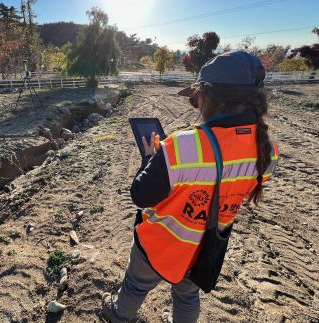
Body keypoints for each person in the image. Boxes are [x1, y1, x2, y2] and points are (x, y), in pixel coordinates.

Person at [101, 51, 279, 322]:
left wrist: (150, 158)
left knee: (136, 286)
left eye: (195, 98)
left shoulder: (181, 145)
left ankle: (117, 315)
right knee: (186, 296)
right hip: (203, 248)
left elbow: (142, 195)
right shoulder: (269, 152)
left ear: (206, 96)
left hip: (160, 243)